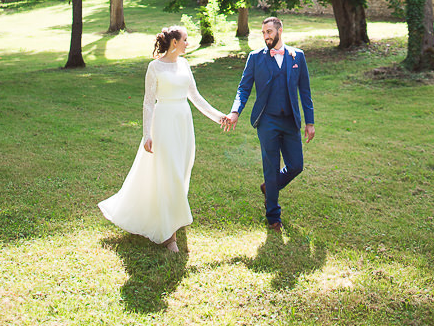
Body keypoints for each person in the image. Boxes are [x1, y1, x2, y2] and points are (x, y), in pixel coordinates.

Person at [98, 24, 227, 252]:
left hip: (183, 123)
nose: (188, 43)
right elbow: (148, 102)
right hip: (164, 123)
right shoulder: (154, 67)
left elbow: (195, 97)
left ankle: (172, 217)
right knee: (171, 174)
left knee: (182, 171)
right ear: (174, 42)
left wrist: (219, 117)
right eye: (185, 39)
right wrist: (147, 134)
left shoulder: (184, 64)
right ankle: (169, 236)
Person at [223, 16, 314, 231]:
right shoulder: (255, 58)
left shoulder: (297, 56)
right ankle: (273, 216)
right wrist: (235, 111)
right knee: (271, 167)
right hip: (267, 121)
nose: (266, 36)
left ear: (280, 31)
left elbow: (305, 91)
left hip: (290, 121)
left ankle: (270, 187)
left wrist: (309, 122)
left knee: (296, 165)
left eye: (269, 32)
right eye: (263, 33)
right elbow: (243, 88)